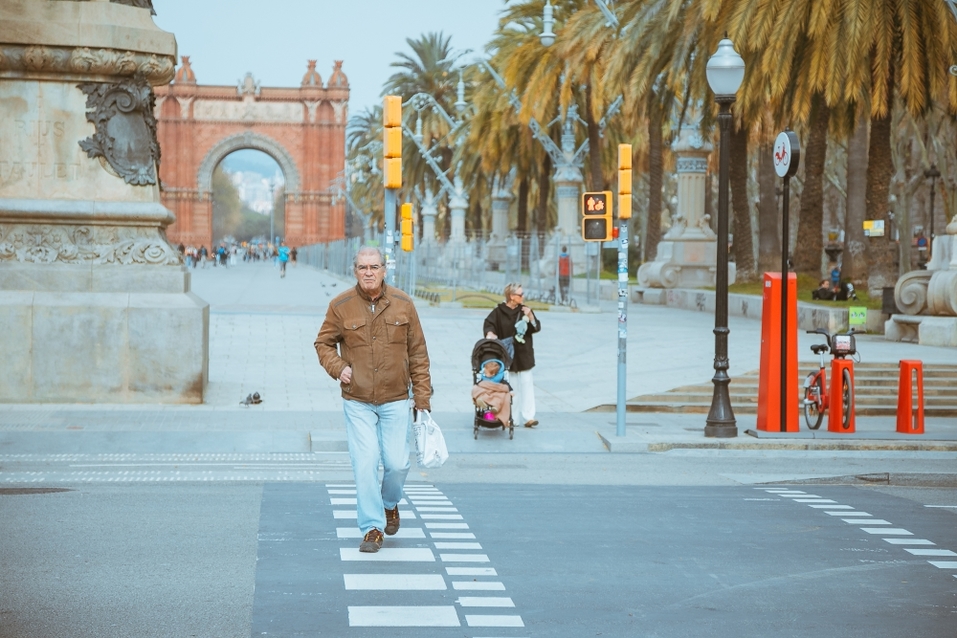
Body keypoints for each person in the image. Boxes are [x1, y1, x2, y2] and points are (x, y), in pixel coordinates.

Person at [314, 246, 432, 554]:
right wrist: (338, 368)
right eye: (363, 267)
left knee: (398, 463)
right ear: (355, 271)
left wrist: (422, 398)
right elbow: (323, 343)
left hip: (395, 399)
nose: (369, 272)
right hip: (358, 400)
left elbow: (418, 353)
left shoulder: (404, 304)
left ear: (384, 270)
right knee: (365, 463)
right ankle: (372, 528)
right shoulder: (341, 305)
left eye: (374, 267)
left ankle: (390, 503)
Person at [483, 282, 540, 428]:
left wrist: (531, 317)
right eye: (520, 294)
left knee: (527, 384)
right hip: (509, 354)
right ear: (511, 296)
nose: (523, 296)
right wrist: (490, 333)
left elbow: (536, 327)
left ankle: (529, 417)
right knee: (512, 386)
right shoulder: (499, 311)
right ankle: (512, 417)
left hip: (524, 353)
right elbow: (488, 324)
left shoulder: (525, 310)